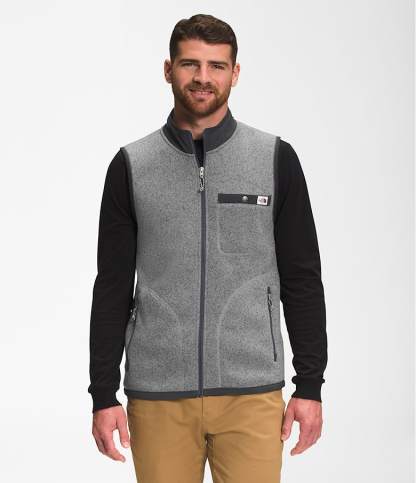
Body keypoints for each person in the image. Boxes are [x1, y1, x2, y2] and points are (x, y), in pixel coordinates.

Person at [88, 13, 327, 483]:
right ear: (168, 70)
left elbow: (302, 278)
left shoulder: (275, 159)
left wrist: (310, 385)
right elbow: (112, 286)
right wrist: (102, 393)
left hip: (252, 394)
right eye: (190, 64)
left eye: (216, 66)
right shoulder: (131, 166)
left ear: (235, 74)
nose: (203, 77)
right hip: (157, 396)